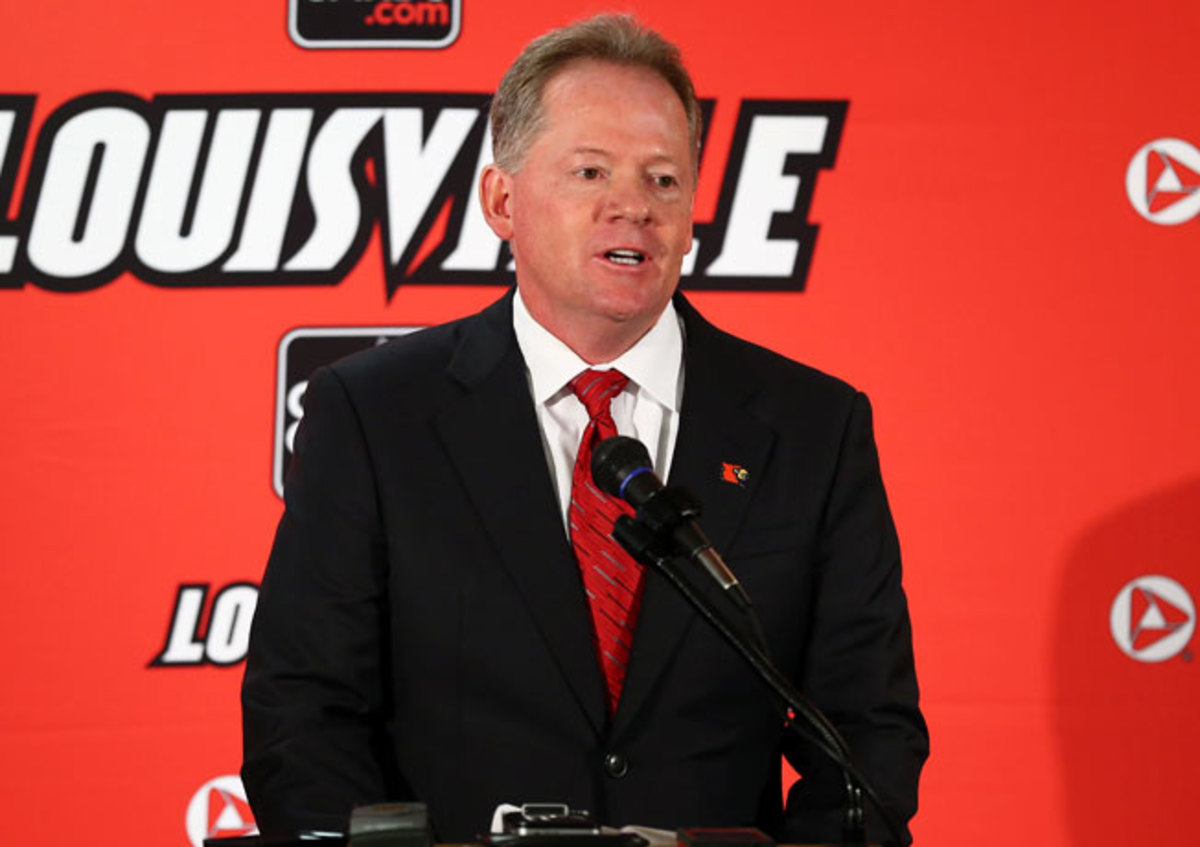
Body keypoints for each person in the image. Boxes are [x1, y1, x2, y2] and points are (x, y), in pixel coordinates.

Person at [242, 13, 928, 845]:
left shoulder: (814, 427)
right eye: (591, 171)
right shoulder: (375, 415)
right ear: (503, 199)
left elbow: (868, 730)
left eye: (664, 180)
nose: (633, 206)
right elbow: (302, 712)